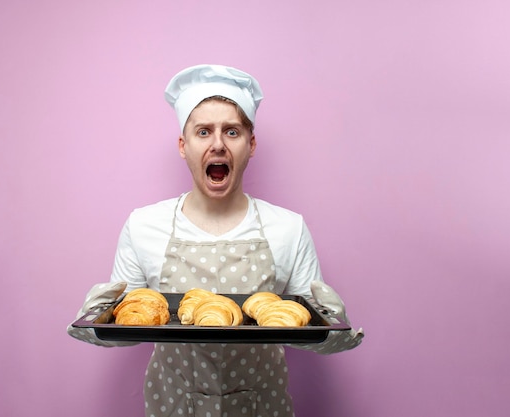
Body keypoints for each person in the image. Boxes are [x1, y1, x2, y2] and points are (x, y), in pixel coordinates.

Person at [67, 64, 364, 417]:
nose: (218, 144)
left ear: (251, 145)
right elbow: (129, 327)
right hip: (173, 405)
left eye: (232, 132)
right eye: (204, 131)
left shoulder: (288, 228)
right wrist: (93, 321)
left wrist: (336, 328)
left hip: (263, 407)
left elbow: (306, 331)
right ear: (183, 145)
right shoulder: (145, 225)